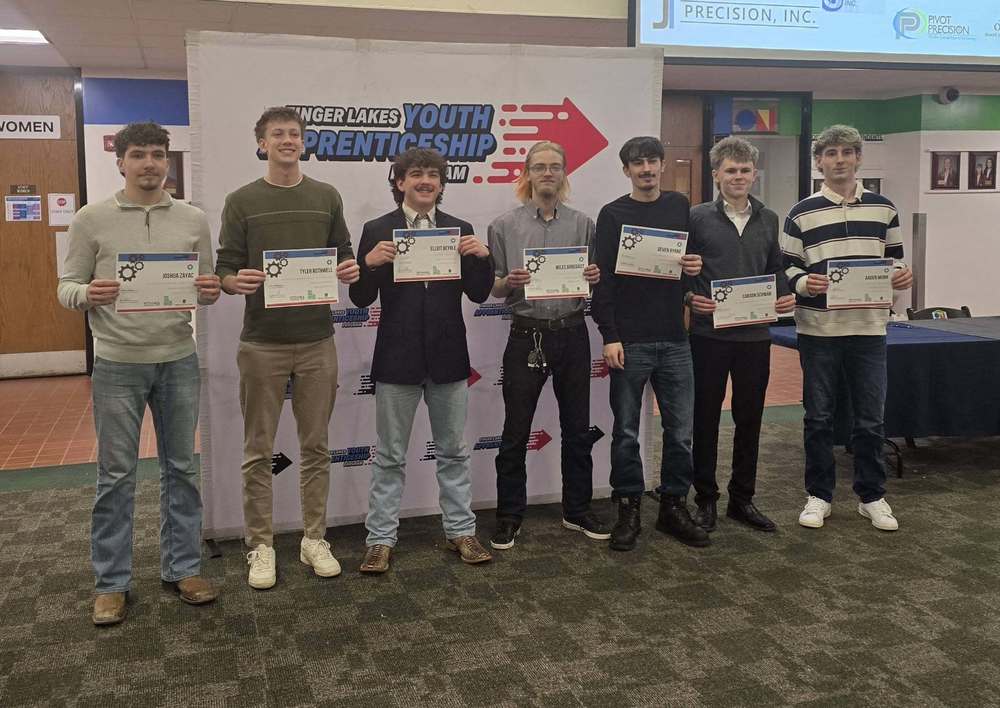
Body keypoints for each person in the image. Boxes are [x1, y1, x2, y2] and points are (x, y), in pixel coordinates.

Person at [58, 122, 221, 625]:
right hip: (117, 365)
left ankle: (183, 568)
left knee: (182, 470)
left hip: (177, 358)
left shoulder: (193, 219)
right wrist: (90, 294)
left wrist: (210, 290)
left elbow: (206, 285)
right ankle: (111, 582)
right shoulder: (91, 219)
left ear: (167, 161)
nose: (150, 163)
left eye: (157, 154)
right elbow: (66, 286)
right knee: (116, 476)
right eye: (139, 155)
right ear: (121, 162)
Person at [216, 106, 360, 589]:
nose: (286, 140)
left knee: (316, 446)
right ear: (262, 144)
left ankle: (313, 538)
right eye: (277, 134)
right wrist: (237, 281)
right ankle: (261, 545)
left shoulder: (325, 195)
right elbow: (224, 269)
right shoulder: (241, 200)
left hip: (318, 340)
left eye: (294, 134)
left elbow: (343, 252)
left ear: (303, 142)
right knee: (258, 450)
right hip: (262, 344)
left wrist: (348, 268)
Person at [349, 147, 494, 572]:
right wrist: (368, 264)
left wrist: (483, 259)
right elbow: (360, 298)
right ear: (400, 183)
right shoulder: (378, 229)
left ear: (442, 184)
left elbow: (480, 294)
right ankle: (380, 540)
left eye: (432, 174)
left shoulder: (459, 229)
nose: (425, 181)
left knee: (452, 452)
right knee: (390, 455)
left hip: (448, 356)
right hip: (397, 357)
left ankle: (461, 532)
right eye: (416, 174)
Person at [780, 124, 912, 532]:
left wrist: (903, 276)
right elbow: (787, 267)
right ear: (819, 162)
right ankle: (819, 495)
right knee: (818, 417)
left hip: (870, 329)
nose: (839, 160)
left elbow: (896, 261)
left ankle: (871, 496)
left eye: (846, 152)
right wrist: (803, 283)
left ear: (858, 158)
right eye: (831, 153)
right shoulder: (800, 213)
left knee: (870, 420)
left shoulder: (884, 208)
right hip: (818, 330)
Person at [487, 140, 605, 550]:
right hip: (526, 335)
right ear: (527, 174)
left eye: (555, 166)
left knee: (577, 429)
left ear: (564, 173)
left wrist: (594, 276)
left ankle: (577, 509)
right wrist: (510, 282)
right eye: (540, 166)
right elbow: (495, 287)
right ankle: (509, 515)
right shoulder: (503, 225)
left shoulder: (584, 224)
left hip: (573, 332)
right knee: (515, 432)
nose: (548, 173)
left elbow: (594, 280)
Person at [591, 136, 706, 552]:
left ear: (661, 166)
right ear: (626, 170)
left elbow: (689, 266)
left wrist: (694, 269)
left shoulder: (679, 206)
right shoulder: (612, 214)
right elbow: (601, 279)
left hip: (676, 340)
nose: (646, 169)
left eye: (652, 161)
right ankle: (628, 509)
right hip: (630, 341)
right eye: (637, 163)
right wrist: (611, 335)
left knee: (680, 433)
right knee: (625, 433)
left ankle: (673, 507)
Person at [685, 136, 796, 534]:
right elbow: (682, 270)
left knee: (750, 419)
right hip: (708, 336)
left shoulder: (768, 218)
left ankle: (742, 499)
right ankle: (706, 499)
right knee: (706, 419)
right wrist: (689, 297)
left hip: (754, 337)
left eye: (745, 170)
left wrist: (784, 295)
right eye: (730, 170)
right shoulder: (696, 217)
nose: (738, 176)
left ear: (754, 175)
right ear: (716, 175)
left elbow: (775, 269)